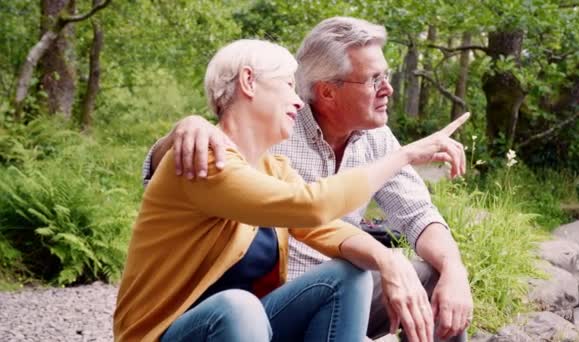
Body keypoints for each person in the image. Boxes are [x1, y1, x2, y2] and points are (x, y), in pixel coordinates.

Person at [115, 39, 469, 342]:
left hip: (248, 328)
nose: (299, 101)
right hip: (167, 334)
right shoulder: (206, 157)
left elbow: (326, 226)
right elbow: (311, 206)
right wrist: (405, 155)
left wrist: (388, 260)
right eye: (287, 85)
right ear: (249, 82)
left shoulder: (274, 169)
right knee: (237, 304)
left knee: (348, 274)